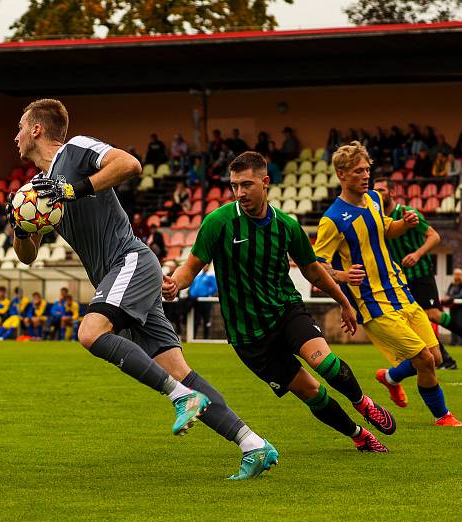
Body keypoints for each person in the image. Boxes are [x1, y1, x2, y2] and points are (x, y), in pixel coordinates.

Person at [9, 98, 276, 480]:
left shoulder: (76, 149)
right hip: (116, 277)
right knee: (180, 370)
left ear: (36, 129)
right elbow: (27, 256)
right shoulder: (35, 190)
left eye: (20, 127)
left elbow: (129, 164)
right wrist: (22, 228)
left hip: (130, 260)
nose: (15, 136)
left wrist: (74, 189)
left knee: (90, 333)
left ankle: (180, 397)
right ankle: (254, 444)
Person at [165, 152, 394, 453]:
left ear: (265, 182)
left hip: (286, 310)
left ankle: (362, 401)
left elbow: (313, 270)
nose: (240, 193)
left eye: (246, 185)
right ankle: (357, 434)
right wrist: (174, 283)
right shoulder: (218, 222)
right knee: (310, 391)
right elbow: (191, 267)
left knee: (322, 360)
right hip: (249, 336)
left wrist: (344, 302)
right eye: (234, 186)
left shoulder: (286, 225)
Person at [314, 141, 462, 426]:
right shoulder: (331, 220)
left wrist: (404, 224)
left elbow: (386, 229)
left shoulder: (373, 199)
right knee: (424, 358)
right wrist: (343, 276)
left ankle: (391, 377)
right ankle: (443, 416)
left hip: (400, 291)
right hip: (373, 303)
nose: (365, 175)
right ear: (341, 174)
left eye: (367, 169)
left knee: (434, 356)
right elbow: (318, 266)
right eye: (358, 170)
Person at [373, 177, 462, 369]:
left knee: (431, 314)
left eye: (381, 190)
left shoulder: (408, 213)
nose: (377, 194)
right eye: (375, 191)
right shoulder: (378, 220)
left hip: (421, 271)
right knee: (415, 321)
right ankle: (445, 360)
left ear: (392, 192)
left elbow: (435, 236)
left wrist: (416, 254)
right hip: (401, 278)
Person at [188, 264, 217, 340]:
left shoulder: (210, 276)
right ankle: (193, 337)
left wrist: (206, 293)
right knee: (196, 319)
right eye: (204, 266)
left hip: (205, 300)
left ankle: (205, 338)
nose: (205, 267)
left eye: (206, 266)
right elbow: (192, 287)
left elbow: (214, 287)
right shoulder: (198, 277)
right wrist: (191, 293)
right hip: (196, 301)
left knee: (206, 320)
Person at [441, 268, 462, 347]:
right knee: (452, 324)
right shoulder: (452, 284)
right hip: (452, 307)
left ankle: (461, 341)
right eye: (456, 274)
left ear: (461, 275)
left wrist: (450, 297)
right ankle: (453, 341)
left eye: (459, 274)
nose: (457, 276)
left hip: (461, 307)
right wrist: (446, 297)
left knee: (460, 324)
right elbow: (448, 293)